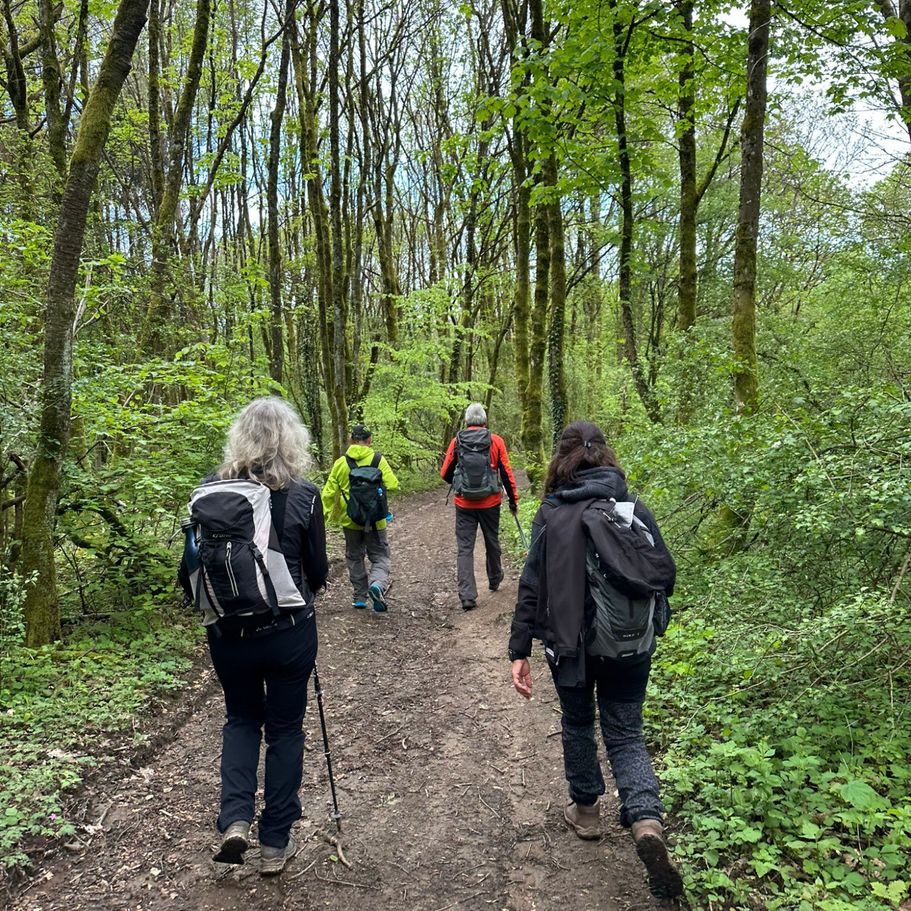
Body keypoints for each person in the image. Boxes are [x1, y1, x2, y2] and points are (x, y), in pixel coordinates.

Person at [507, 421, 683, 899]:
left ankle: (586, 812)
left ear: (561, 461)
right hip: (631, 646)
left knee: (578, 722)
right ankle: (645, 821)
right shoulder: (631, 508)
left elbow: (531, 585)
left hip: (570, 646)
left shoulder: (551, 513)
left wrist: (519, 650)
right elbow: (663, 577)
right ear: (606, 457)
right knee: (626, 733)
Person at [180, 397, 328, 876]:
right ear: (292, 439)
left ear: (239, 437)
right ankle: (275, 842)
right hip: (289, 632)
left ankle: (236, 818)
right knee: (285, 729)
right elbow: (319, 571)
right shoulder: (303, 493)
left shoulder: (208, 491)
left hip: (228, 634)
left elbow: (188, 574)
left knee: (241, 719)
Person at [441, 403, 519, 611]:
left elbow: (445, 473)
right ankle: (494, 578)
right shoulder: (496, 441)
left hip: (464, 503)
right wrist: (513, 500)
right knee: (492, 540)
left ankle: (467, 596)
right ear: (485, 420)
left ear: (466, 421)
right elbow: (507, 474)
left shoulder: (457, 441)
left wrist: (461, 483)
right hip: (490, 502)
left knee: (465, 548)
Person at [322, 424, 399, 612]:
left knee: (354, 557)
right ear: (370, 440)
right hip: (376, 521)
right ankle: (377, 584)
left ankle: (359, 597)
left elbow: (328, 493)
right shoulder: (378, 460)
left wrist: (323, 517)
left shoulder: (341, 463)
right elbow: (393, 484)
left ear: (351, 440)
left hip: (350, 520)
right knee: (380, 556)